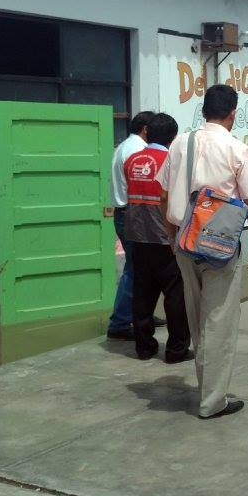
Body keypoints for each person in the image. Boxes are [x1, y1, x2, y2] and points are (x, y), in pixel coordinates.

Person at [160, 84, 248, 419]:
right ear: (232, 113)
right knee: (218, 322)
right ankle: (212, 402)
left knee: (197, 318)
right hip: (219, 247)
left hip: (184, 242)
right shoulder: (236, 149)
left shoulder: (180, 143)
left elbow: (163, 195)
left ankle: (208, 389)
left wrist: (172, 235)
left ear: (203, 110)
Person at [123, 113, 192, 363]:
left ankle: (144, 347)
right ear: (172, 138)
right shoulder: (171, 161)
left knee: (142, 293)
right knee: (175, 295)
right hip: (165, 237)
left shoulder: (131, 160)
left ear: (147, 133)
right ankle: (176, 350)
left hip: (137, 235)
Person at [107, 111, 161, 340]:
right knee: (134, 269)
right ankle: (120, 322)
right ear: (146, 130)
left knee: (143, 268)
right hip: (134, 214)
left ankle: (142, 314)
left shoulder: (124, 146)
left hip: (127, 213)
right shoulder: (137, 151)